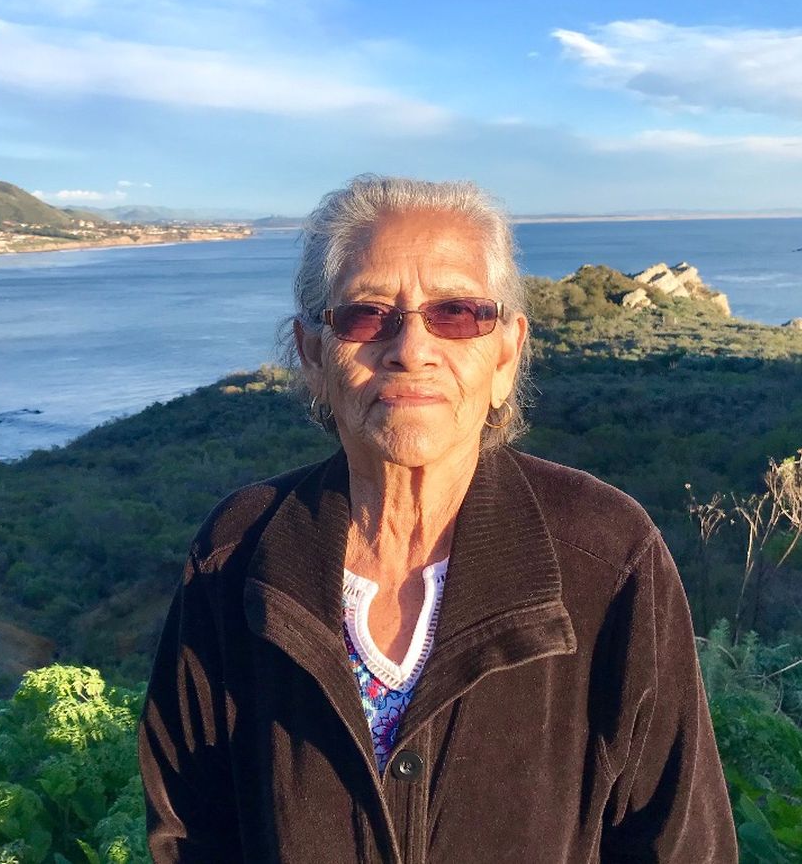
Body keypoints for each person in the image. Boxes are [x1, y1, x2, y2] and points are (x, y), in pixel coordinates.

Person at [138, 176, 737, 862]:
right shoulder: (240, 554)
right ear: (314, 356)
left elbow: (680, 844)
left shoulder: (607, 557)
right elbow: (189, 832)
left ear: (505, 354)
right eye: (367, 315)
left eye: (456, 313)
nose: (411, 348)